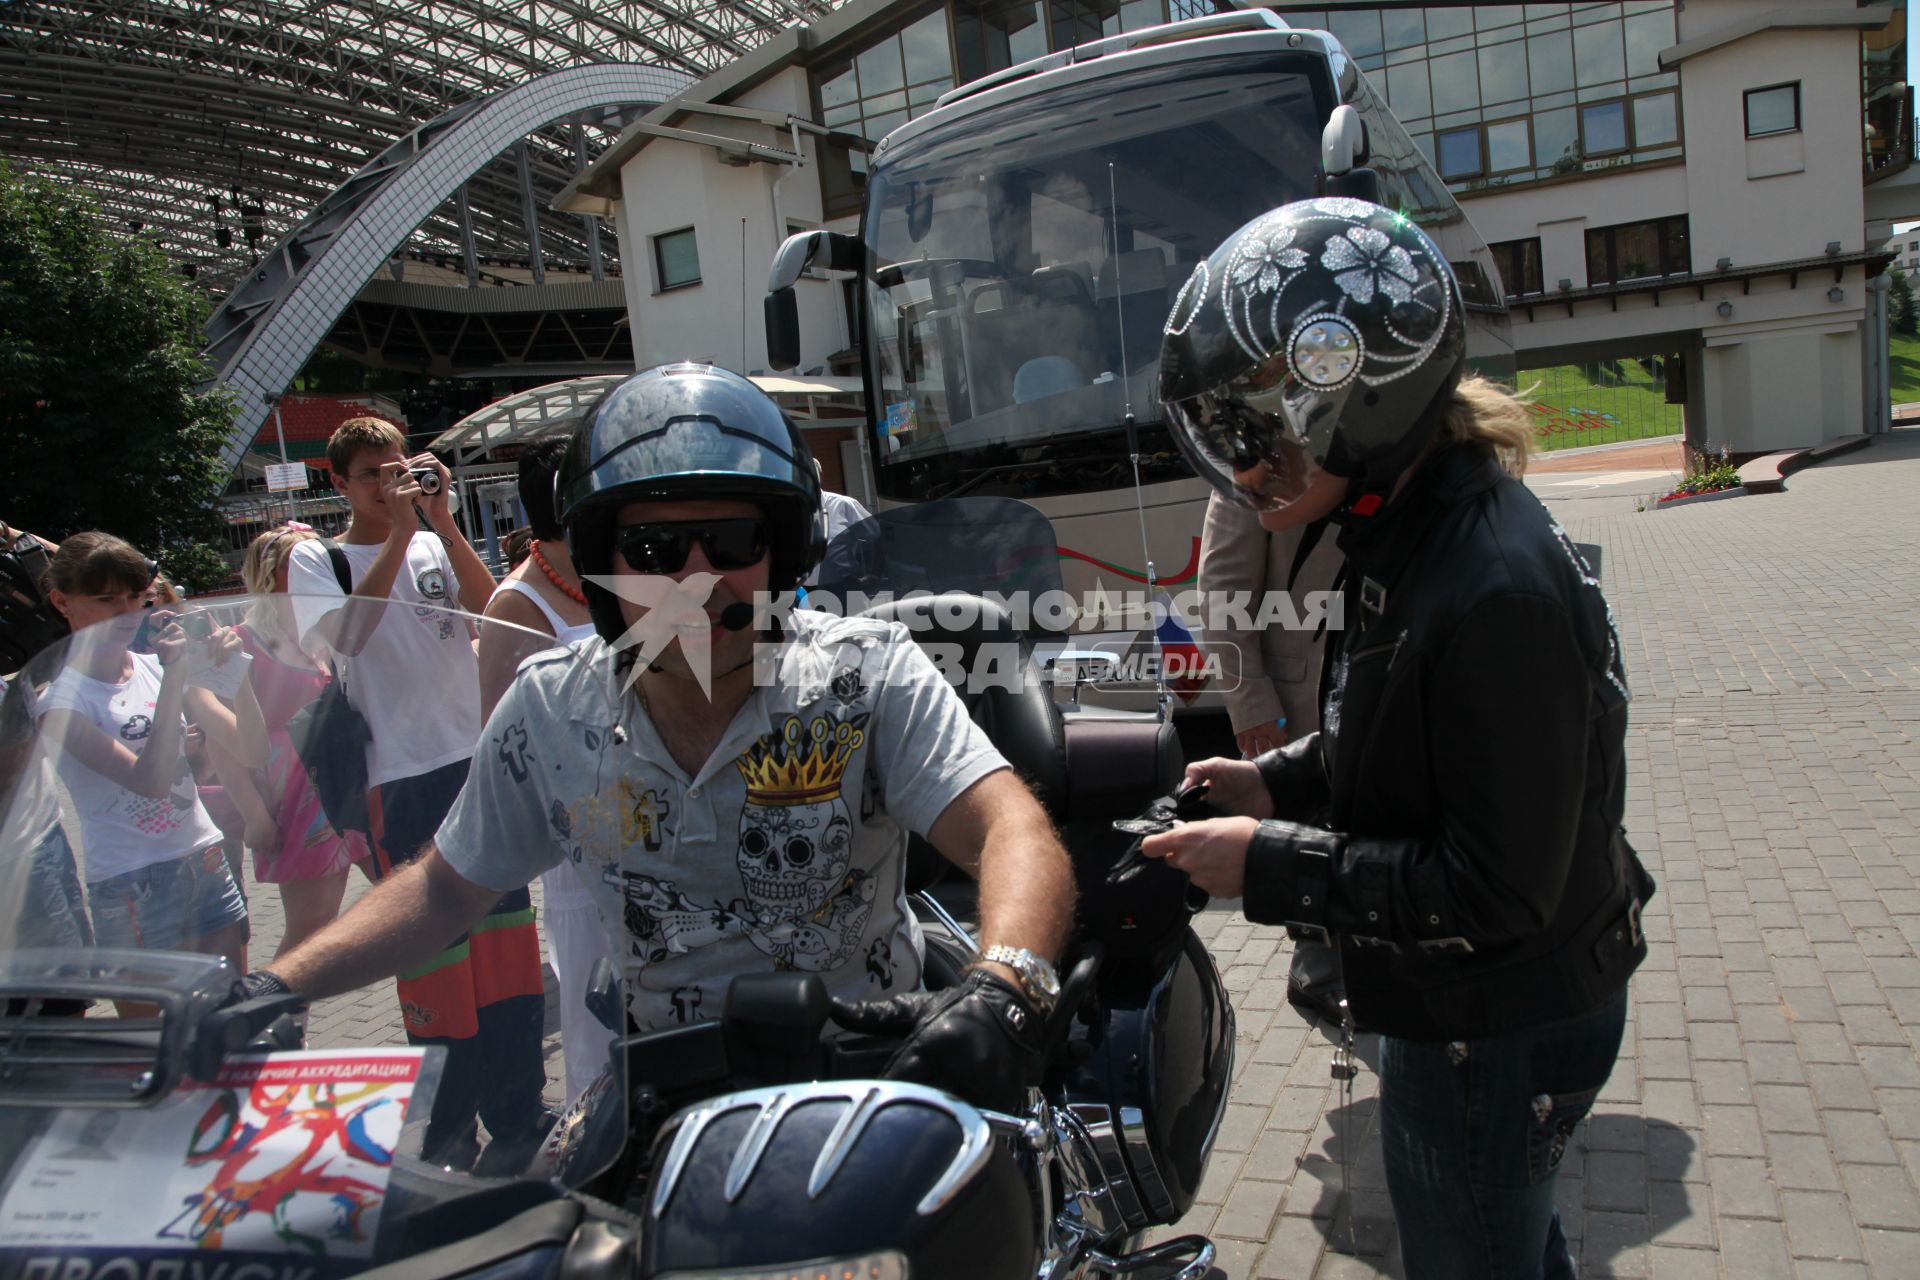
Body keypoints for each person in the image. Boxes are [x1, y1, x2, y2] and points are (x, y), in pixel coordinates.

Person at [249, 363, 1077, 1119]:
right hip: (665, 1100)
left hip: (884, 1076)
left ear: (781, 554)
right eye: (652, 549)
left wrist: (1005, 988)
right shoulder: (551, 708)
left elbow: (1009, 827)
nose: (696, 577)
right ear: (603, 568)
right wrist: (273, 985)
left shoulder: (867, 674)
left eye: (731, 544)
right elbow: (444, 889)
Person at [1144, 199, 1652, 1279]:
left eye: (1259, 432)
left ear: (1360, 402)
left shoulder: (1488, 581)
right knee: (1508, 1237)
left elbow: (1495, 890)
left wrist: (1268, 863)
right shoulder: (1407, 531)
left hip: (1492, 1020)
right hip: (1489, 1003)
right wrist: (1274, 779)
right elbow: (1396, 731)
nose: (1245, 468)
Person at [285, 416, 546, 1170]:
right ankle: (446, 1128)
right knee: (434, 954)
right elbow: (346, 640)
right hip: (399, 776)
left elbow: (490, 605)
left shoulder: (430, 536)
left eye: (398, 468)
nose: (388, 483)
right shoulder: (318, 559)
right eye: (370, 474)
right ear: (338, 482)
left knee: (505, 955)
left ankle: (519, 1113)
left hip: (475, 758)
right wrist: (398, 531)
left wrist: (443, 522)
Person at [35, 533, 250, 987]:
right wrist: (176, 676)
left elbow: (244, 750)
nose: (127, 612)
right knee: (155, 1039)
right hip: (132, 881)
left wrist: (229, 668)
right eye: (107, 599)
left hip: (203, 855)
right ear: (62, 602)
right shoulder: (61, 700)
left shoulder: (153, 667)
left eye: (136, 597)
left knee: (230, 1017)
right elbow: (149, 781)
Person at [476, 436, 611, 1105]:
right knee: (591, 994)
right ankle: (594, 1126)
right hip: (580, 827)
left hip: (655, 810)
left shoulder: (610, 570)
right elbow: (501, 739)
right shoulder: (516, 605)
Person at [231, 524, 370, 957]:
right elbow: (229, 742)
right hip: (294, 797)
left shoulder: (324, 631)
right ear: (278, 576)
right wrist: (255, 815)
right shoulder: (242, 642)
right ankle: (277, 1019)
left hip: (345, 783)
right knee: (310, 930)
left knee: (399, 889)